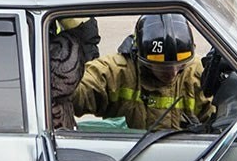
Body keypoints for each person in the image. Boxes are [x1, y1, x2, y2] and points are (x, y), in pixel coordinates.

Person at [62, 13, 214, 131]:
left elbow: (222, 117)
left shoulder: (199, 74)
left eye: (180, 65)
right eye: (162, 67)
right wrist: (62, 70)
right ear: (138, 55)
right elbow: (77, 91)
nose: (173, 73)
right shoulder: (116, 72)